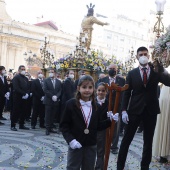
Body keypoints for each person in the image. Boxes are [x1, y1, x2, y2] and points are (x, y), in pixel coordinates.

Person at [117, 47, 170, 170]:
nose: (143, 56)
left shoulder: (156, 71)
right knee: (126, 140)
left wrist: (162, 69)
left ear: (149, 56)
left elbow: (168, 82)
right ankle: (120, 166)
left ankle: (144, 167)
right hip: (134, 110)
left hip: (151, 111)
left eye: (145, 54)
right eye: (141, 54)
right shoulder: (131, 73)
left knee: (148, 141)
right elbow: (127, 93)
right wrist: (124, 110)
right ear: (137, 57)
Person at [60, 75, 118, 170]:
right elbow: (64, 125)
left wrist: (110, 121)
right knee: (73, 167)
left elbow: (98, 126)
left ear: (93, 89)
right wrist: (71, 140)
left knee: (89, 168)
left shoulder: (96, 106)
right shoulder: (71, 104)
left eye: (90, 87)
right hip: (76, 143)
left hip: (91, 144)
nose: (87, 90)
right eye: (84, 87)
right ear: (78, 88)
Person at [98, 63, 125, 154]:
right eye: (110, 68)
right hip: (105, 106)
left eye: (114, 68)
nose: (112, 70)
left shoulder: (121, 80)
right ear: (107, 69)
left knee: (116, 128)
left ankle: (114, 147)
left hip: (117, 106)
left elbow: (124, 94)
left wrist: (122, 108)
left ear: (116, 70)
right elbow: (98, 92)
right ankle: (104, 144)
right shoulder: (102, 80)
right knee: (104, 125)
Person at [95, 82, 119, 170]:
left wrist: (113, 118)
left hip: (103, 130)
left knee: (101, 151)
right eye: (99, 90)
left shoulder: (109, 104)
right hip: (92, 130)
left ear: (106, 92)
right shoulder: (91, 102)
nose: (101, 92)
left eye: (103, 91)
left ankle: (99, 168)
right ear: (96, 91)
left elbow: (112, 120)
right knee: (91, 150)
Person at [152, 66, 170, 163]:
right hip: (166, 97)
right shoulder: (166, 70)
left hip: (165, 96)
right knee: (166, 123)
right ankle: (164, 152)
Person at [11, 65, 30, 131]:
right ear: (19, 70)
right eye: (22, 69)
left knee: (23, 111)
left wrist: (27, 93)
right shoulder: (16, 77)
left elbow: (28, 87)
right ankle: (13, 125)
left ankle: (21, 124)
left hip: (24, 98)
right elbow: (16, 88)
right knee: (16, 112)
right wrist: (24, 93)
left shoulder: (26, 78)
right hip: (18, 97)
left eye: (24, 69)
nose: (23, 70)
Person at [43, 68, 62, 135]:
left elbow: (60, 90)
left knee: (53, 115)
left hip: (55, 101)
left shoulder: (58, 81)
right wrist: (52, 96)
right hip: (48, 100)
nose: (51, 73)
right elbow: (45, 90)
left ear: (55, 73)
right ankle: (47, 129)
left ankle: (51, 127)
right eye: (50, 72)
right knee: (48, 115)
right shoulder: (46, 80)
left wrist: (57, 96)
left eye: (52, 72)